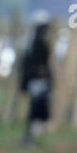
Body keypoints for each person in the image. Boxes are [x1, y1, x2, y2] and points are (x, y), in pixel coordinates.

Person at [20, 14, 53, 145]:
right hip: (36, 81)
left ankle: (33, 136)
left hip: (38, 81)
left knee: (38, 108)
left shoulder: (37, 42)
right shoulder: (36, 43)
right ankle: (30, 137)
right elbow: (33, 65)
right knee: (36, 108)